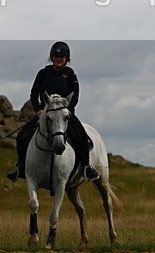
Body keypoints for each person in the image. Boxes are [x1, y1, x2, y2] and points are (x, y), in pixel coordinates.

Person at [6, 41, 99, 182]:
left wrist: (66, 111)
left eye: (62, 57)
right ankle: (21, 167)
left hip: (65, 114)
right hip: (46, 114)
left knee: (81, 135)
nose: (59, 59)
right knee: (23, 135)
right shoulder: (43, 73)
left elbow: (75, 96)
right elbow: (33, 94)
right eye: (56, 56)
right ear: (52, 57)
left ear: (67, 59)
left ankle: (86, 167)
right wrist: (38, 110)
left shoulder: (70, 75)